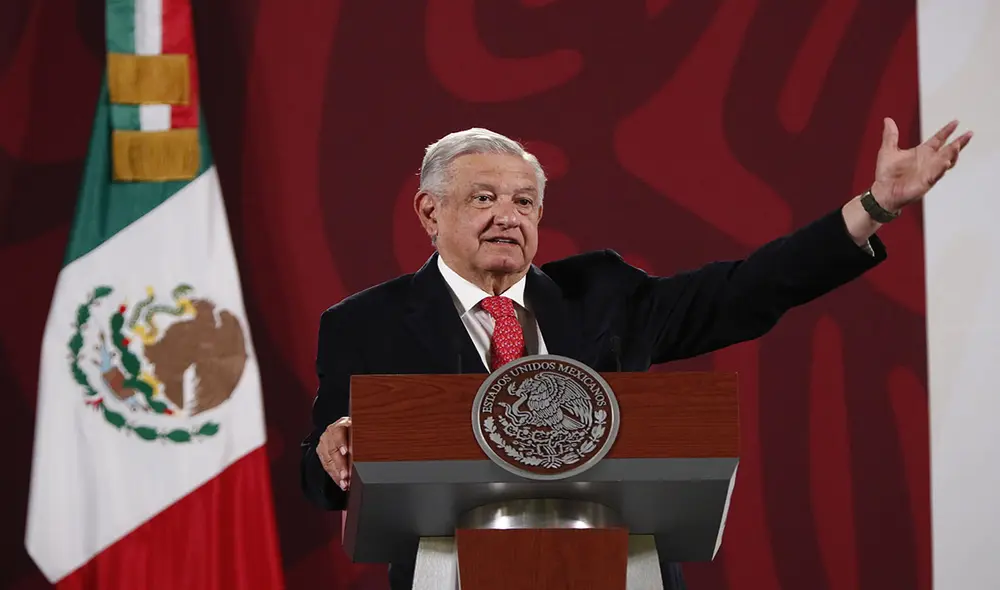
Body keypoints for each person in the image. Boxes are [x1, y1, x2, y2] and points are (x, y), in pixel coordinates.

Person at [300, 121, 971, 589]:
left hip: (620, 573)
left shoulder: (602, 294)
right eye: (484, 199)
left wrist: (875, 207)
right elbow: (320, 472)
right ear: (429, 212)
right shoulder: (367, 324)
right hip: (452, 574)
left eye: (524, 201)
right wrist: (338, 445)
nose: (508, 216)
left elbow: (742, 291)